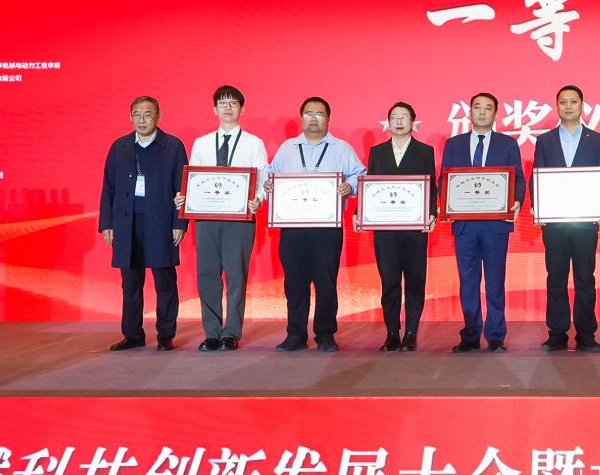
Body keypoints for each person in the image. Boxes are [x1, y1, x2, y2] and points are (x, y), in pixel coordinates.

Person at [268, 95, 367, 352]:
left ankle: (325, 334)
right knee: (294, 282)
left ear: (328, 119)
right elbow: (270, 173)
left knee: (325, 282)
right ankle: (295, 334)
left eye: (319, 114)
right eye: (309, 114)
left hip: (327, 227)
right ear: (301, 118)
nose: (314, 118)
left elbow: (361, 174)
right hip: (292, 226)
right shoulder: (287, 148)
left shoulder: (342, 148)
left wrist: (350, 186)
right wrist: (268, 184)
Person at [179, 85, 268, 351]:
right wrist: (185, 198)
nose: (227, 107)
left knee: (236, 275)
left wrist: (258, 199)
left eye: (233, 103)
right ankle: (212, 332)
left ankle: (231, 333)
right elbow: (194, 178)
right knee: (207, 274)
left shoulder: (254, 143)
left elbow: (262, 180)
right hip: (206, 218)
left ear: (242, 108)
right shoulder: (202, 143)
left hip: (241, 219)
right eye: (222, 103)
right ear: (214, 109)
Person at [99, 95, 189, 351]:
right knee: (130, 283)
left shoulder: (173, 146)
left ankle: (165, 335)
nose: (142, 120)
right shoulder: (119, 147)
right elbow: (108, 188)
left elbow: (182, 188)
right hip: (127, 224)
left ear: (157, 117)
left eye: (147, 115)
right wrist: (107, 223)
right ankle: (133, 335)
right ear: (130, 117)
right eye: (137, 115)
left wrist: (179, 223)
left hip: (161, 223)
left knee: (165, 282)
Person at [532, 84, 600, 352]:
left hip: (586, 222)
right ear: (557, 106)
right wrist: (538, 208)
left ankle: (585, 333)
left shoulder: (597, 139)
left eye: (573, 102)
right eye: (563, 102)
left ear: (582, 105)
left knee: (585, 279)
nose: (568, 106)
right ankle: (557, 333)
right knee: (556, 277)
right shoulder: (545, 141)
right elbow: (537, 175)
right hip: (554, 222)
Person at [441, 92, 525, 351]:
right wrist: (445, 200)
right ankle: (470, 336)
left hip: (496, 225)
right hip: (464, 225)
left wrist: (516, 201)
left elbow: (518, 179)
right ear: (469, 113)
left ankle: (496, 336)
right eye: (477, 107)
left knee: (495, 281)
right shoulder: (453, 144)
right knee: (468, 283)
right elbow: (444, 179)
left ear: (495, 114)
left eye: (487, 108)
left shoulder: (508, 144)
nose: (481, 112)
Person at [364, 101, 437, 351]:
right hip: (385, 230)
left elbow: (431, 186)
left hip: (415, 229)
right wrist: (361, 212)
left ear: (413, 122)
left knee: (415, 281)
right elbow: (370, 185)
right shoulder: (377, 152)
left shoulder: (425, 151)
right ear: (388, 122)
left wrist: (431, 213)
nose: (398, 121)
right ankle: (392, 333)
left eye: (404, 117)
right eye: (394, 117)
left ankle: (411, 333)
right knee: (390, 282)